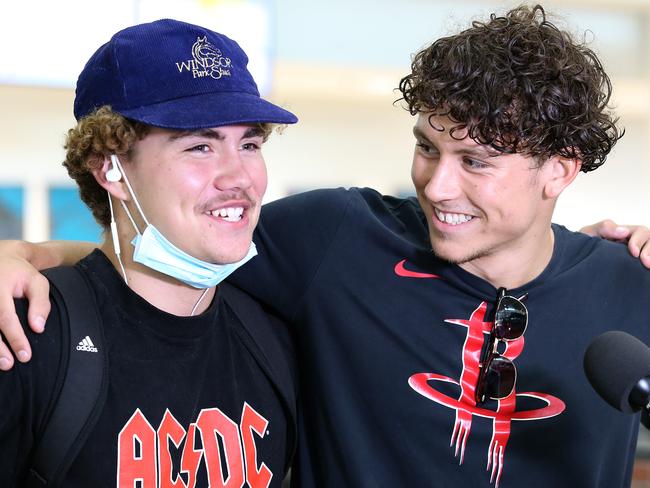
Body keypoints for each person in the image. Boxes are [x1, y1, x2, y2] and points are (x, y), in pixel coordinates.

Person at [0, 5, 649, 488]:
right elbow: (167, 251)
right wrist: (24, 257)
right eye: (427, 147)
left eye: (474, 161)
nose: (436, 183)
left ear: (560, 171)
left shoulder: (631, 285)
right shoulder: (334, 241)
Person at [0, 19, 298, 487]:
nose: (238, 177)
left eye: (250, 144)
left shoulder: (274, 341)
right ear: (111, 169)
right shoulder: (28, 333)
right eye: (200, 146)